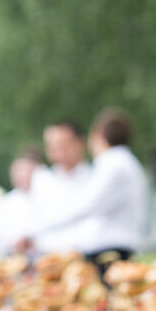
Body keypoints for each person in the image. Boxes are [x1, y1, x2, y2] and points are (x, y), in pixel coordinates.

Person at [31, 108, 147, 270]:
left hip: (110, 250)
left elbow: (86, 205)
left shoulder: (112, 163)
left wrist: (36, 229)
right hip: (118, 247)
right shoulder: (125, 162)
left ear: (99, 135)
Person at [25, 120, 94, 254]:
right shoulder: (42, 179)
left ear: (80, 143)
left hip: (85, 255)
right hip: (47, 257)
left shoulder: (96, 177)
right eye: (52, 147)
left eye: (63, 146)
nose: (58, 153)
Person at [0, 151, 43, 254]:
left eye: (26, 170)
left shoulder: (48, 197)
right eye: (17, 171)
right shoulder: (8, 201)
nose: (20, 175)